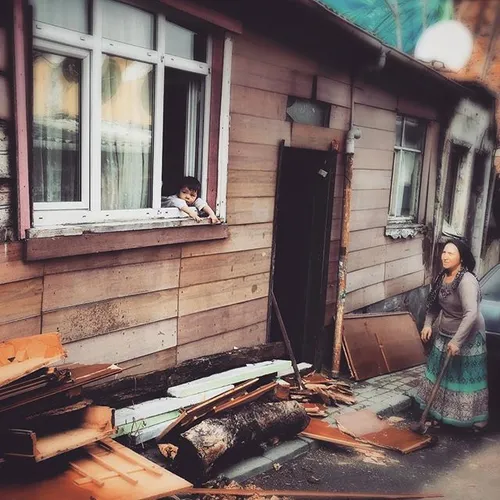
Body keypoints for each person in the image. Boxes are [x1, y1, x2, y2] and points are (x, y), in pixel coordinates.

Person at [415, 239, 488, 430]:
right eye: (444, 252)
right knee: (442, 373)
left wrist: (457, 341)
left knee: (463, 376)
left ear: (461, 258)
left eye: (451, 253)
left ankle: (477, 419)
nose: (445, 256)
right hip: (446, 332)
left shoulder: (466, 282)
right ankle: (440, 414)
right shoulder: (443, 277)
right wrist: (428, 324)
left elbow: (471, 313)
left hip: (467, 336)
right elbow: (435, 304)